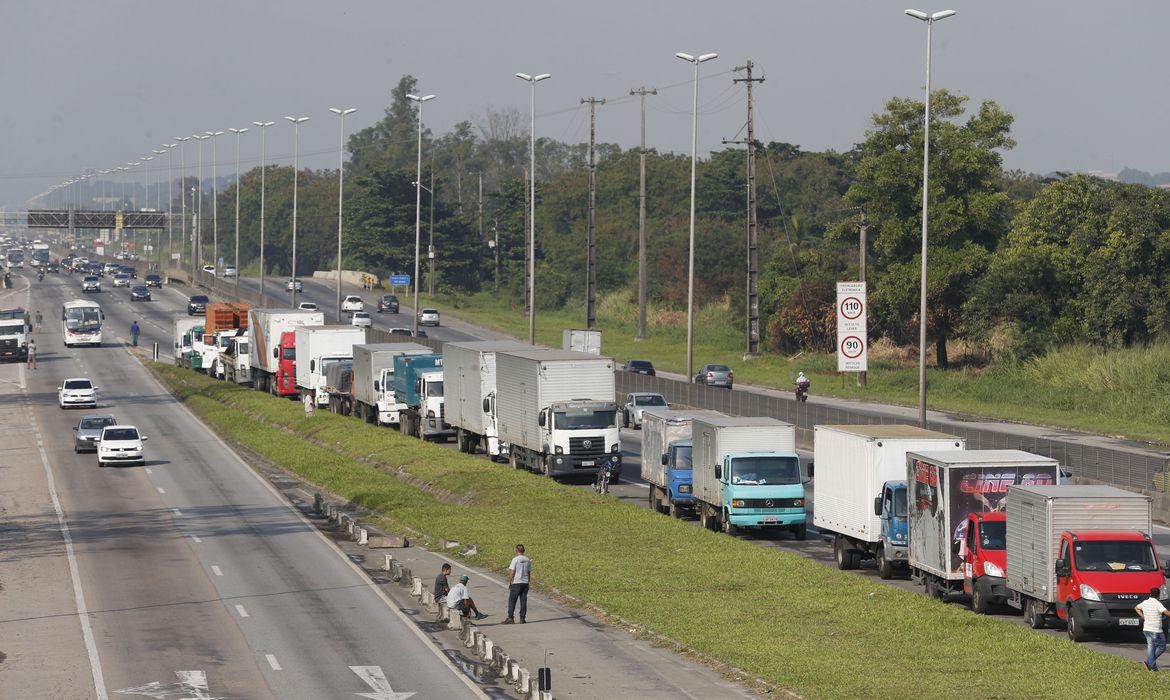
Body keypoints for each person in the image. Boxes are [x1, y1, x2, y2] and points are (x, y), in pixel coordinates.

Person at [1135, 587, 1170, 671]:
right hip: (1156, 629)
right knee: (1162, 647)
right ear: (1158, 595)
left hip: (1146, 628)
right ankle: (1151, 665)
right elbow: (1167, 613)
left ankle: (1150, 663)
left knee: (1151, 647)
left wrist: (1143, 616)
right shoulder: (1157, 603)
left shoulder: (1145, 602)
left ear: (1150, 594)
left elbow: (1136, 608)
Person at [503, 544, 532, 624]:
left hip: (516, 583)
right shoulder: (527, 560)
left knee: (512, 601)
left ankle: (510, 618)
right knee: (523, 601)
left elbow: (512, 572)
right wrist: (528, 581)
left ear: (516, 550)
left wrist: (510, 581)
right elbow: (529, 572)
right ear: (524, 550)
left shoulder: (515, 559)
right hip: (525, 583)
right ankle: (522, 618)